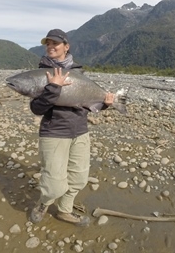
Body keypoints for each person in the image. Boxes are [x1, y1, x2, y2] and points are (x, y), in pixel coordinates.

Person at [29, 29, 114, 227]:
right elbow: (37, 108)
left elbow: (89, 105)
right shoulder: (42, 74)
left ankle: (65, 210)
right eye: (47, 43)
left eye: (55, 43)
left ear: (66, 47)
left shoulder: (78, 73)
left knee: (78, 178)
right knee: (54, 184)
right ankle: (43, 203)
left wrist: (106, 104)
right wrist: (53, 87)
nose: (50, 46)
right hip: (54, 132)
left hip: (80, 131)